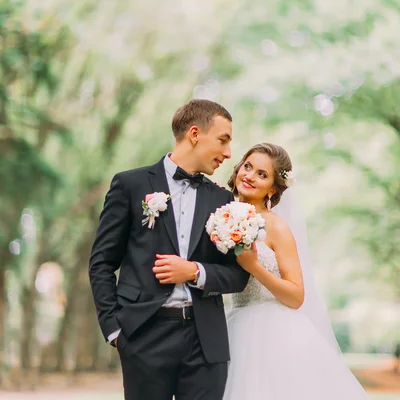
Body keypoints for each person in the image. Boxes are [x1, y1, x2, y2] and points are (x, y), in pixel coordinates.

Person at [89, 99, 249, 400]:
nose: (228, 154)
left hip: (206, 340)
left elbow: (239, 276)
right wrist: (114, 330)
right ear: (194, 133)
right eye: (223, 140)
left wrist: (196, 271)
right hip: (144, 335)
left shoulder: (224, 200)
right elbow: (101, 263)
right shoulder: (130, 185)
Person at [223, 142, 369, 400]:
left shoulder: (277, 228)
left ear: (274, 188)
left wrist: (254, 267)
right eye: (248, 166)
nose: (250, 176)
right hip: (232, 324)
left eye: (262, 174)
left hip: (272, 333)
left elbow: (296, 295)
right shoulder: (221, 216)